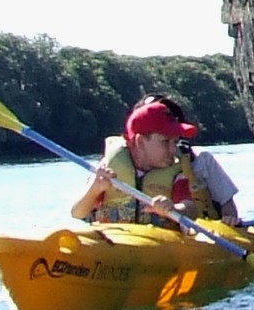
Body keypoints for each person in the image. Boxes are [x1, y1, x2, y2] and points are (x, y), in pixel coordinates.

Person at [72, 94, 240, 228]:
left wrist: (173, 209)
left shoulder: (177, 170)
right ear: (140, 141)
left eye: (174, 142)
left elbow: (191, 208)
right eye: (165, 142)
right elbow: (77, 212)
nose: (173, 150)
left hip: (159, 244)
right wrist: (94, 189)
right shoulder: (109, 166)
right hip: (116, 241)